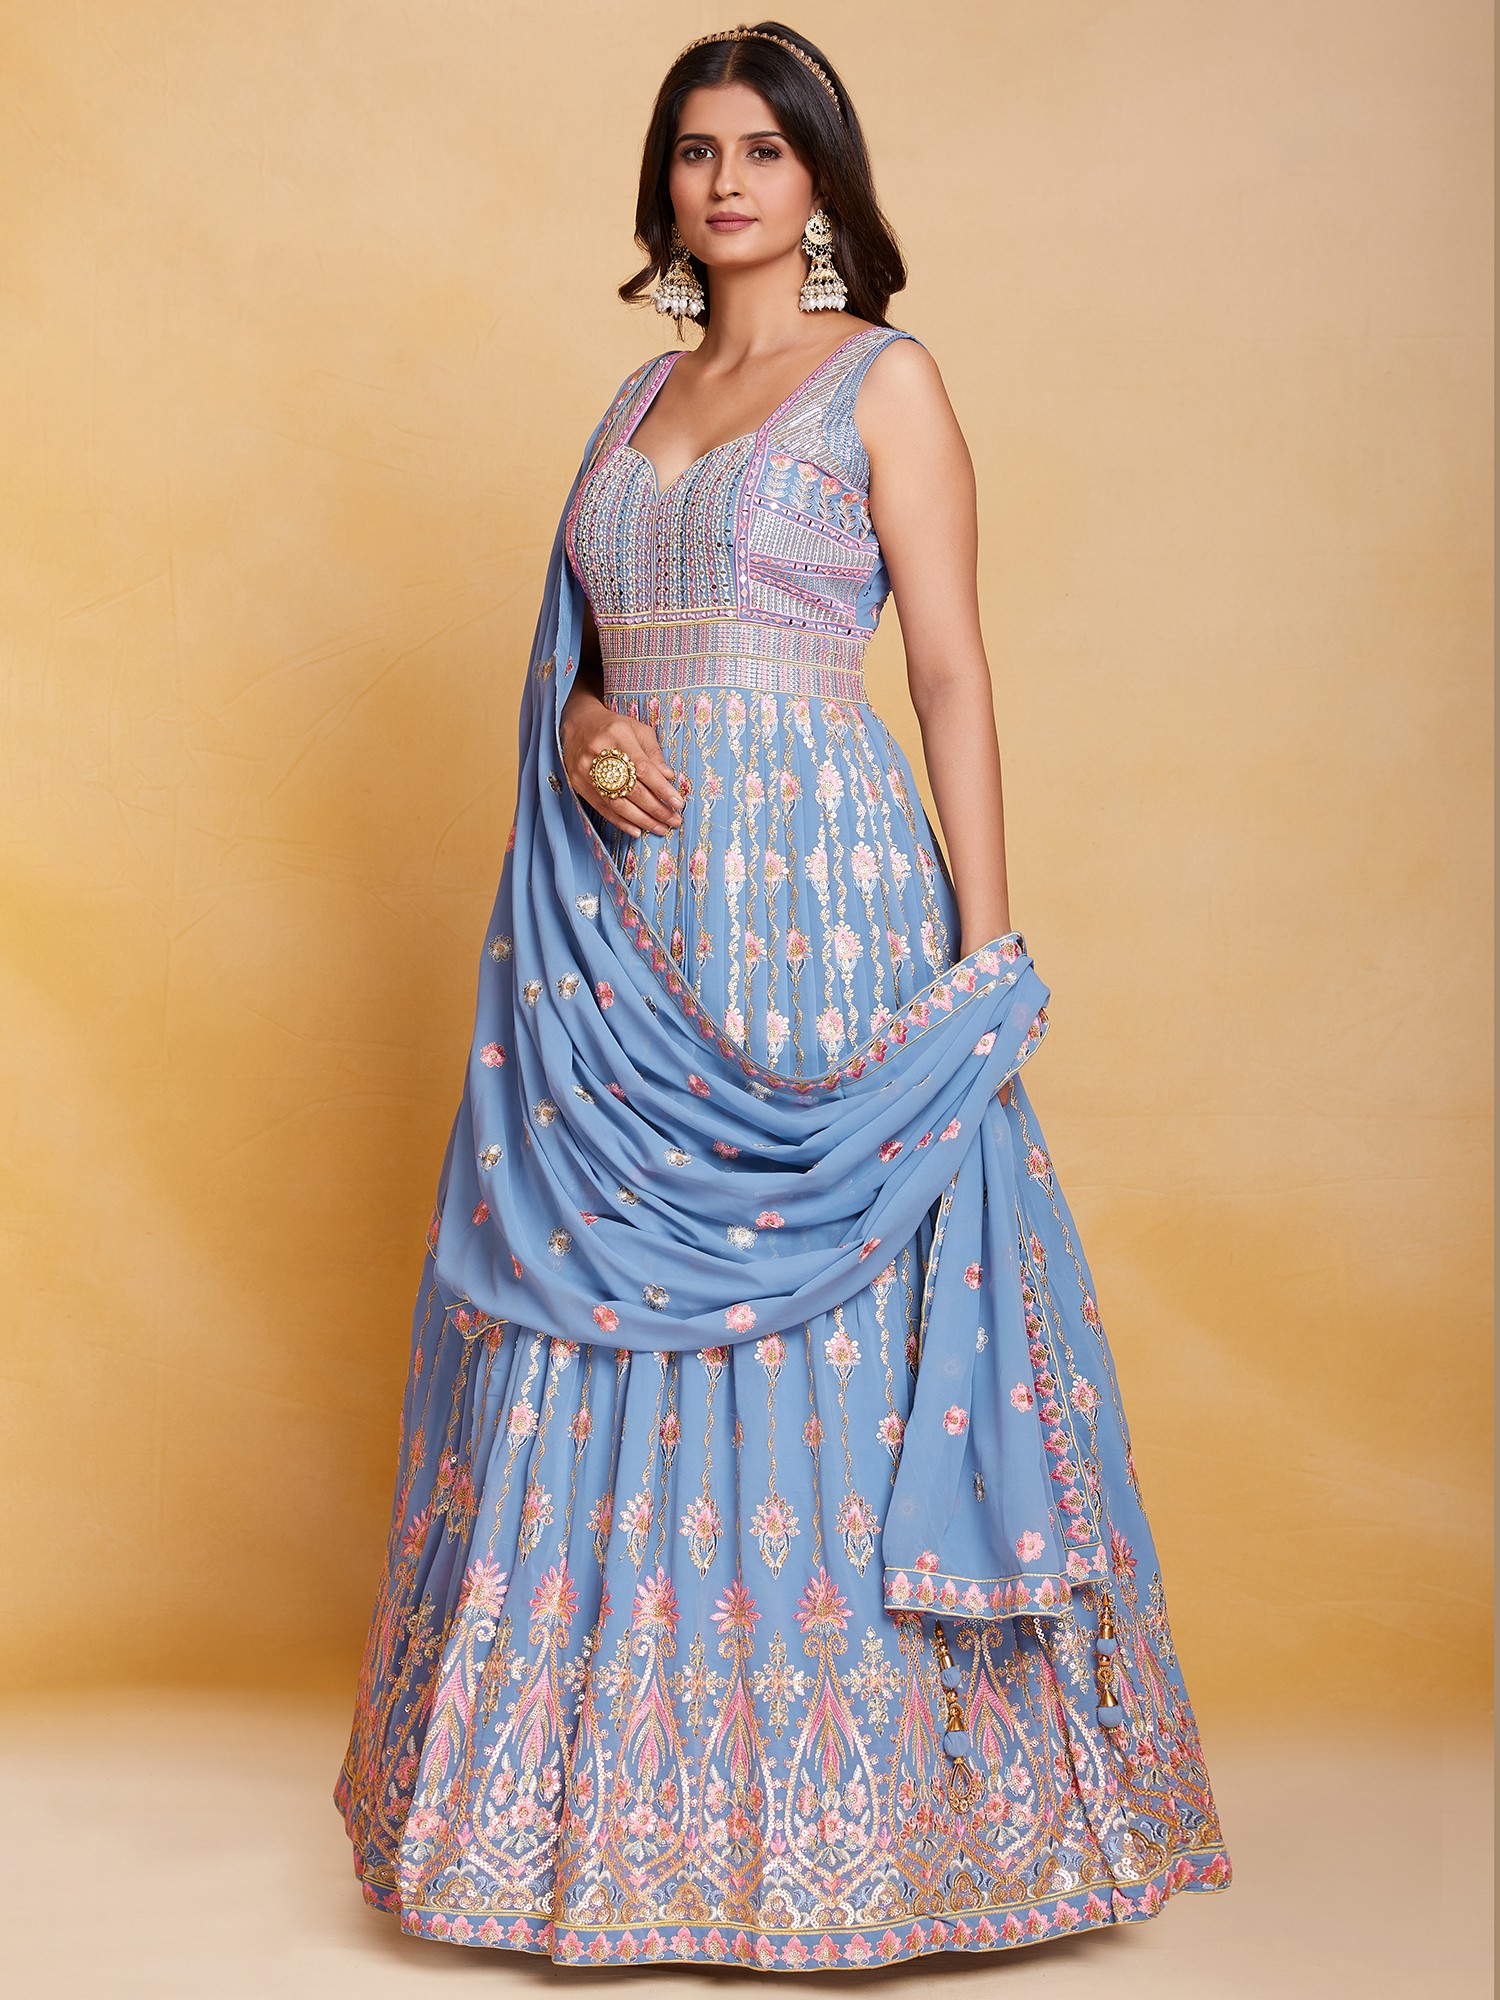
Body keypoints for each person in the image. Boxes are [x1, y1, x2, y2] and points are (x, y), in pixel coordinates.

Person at [335, 19, 1232, 1970]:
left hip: (823, 911)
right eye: (696, 148)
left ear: (820, 178)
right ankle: (595, 1825)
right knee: (608, 1301)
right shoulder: (629, 403)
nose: (725, 179)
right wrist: (583, 737)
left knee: (832, 1314)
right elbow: (578, 675)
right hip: (626, 934)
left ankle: (879, 1835)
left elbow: (952, 672)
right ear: (664, 186)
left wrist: (987, 955)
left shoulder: (884, 382)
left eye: (761, 146)